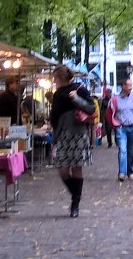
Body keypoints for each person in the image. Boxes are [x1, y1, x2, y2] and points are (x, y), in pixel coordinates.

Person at [48, 67, 96, 216]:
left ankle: (75, 204)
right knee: (62, 169)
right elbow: (55, 115)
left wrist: (76, 98)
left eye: (55, 78)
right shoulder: (57, 94)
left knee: (76, 168)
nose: (54, 81)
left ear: (61, 77)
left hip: (78, 133)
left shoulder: (79, 89)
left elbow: (91, 108)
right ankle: (76, 193)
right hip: (62, 134)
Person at [110, 78, 133, 181]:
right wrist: (115, 124)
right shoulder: (115, 99)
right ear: (123, 86)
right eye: (129, 85)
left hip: (132, 127)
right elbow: (110, 113)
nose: (131, 87)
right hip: (121, 128)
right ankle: (122, 172)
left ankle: (130, 172)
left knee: (130, 150)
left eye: (131, 85)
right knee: (122, 150)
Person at [95, 82, 117, 150]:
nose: (108, 94)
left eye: (109, 92)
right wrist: (101, 120)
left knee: (116, 130)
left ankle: (117, 142)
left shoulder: (114, 99)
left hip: (114, 117)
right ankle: (109, 143)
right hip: (107, 117)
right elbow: (102, 110)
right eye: (107, 92)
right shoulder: (104, 100)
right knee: (108, 131)